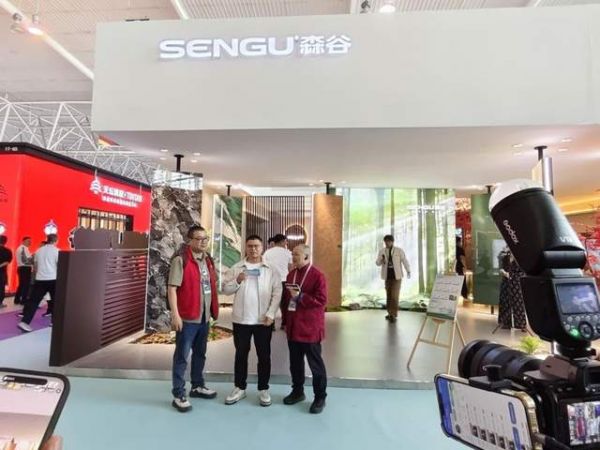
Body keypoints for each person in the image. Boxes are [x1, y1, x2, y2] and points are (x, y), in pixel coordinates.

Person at [221, 235, 281, 407]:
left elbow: (277, 292)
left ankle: (263, 389)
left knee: (264, 356)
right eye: (250, 246)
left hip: (263, 321)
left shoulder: (270, 269)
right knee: (241, 355)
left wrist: (271, 313)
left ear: (262, 248)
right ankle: (240, 387)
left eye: (256, 246)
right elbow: (225, 289)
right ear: (245, 248)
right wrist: (237, 280)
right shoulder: (237, 267)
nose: (253, 249)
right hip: (241, 321)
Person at [167, 225, 220, 412]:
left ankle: (197, 386)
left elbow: (210, 285)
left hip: (203, 317)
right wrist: (175, 314)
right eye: (199, 239)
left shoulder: (208, 260)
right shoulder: (181, 260)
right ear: (190, 240)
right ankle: (179, 393)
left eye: (206, 238)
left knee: (200, 354)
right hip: (187, 318)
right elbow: (172, 288)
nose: (203, 242)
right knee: (182, 356)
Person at [282, 244, 328, 414]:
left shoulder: (317, 276)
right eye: (293, 254)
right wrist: (285, 321)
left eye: (296, 255)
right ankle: (297, 391)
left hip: (310, 328)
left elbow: (322, 300)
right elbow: (287, 301)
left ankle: (320, 397)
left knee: (315, 365)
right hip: (293, 327)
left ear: (307, 257)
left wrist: (301, 297)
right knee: (295, 363)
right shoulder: (291, 275)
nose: (293, 257)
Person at [18, 234, 59, 331]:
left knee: (33, 301)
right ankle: (54, 322)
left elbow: (35, 266)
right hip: (53, 279)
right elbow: (59, 265)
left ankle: (24, 322)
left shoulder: (39, 251)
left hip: (40, 279)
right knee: (55, 301)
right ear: (56, 240)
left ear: (47, 240)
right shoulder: (57, 251)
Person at [375, 235, 411, 323]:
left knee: (394, 295)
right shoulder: (382, 251)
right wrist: (381, 260)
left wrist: (408, 270)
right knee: (389, 295)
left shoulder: (399, 250)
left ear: (392, 242)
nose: (387, 243)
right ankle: (389, 313)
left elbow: (404, 260)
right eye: (385, 241)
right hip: (387, 276)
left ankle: (393, 314)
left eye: (389, 241)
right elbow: (377, 263)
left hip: (397, 277)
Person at [263, 233, 293, 329]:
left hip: (270, 281)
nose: (286, 243)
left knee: (270, 302)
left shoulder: (267, 253)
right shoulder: (287, 253)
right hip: (284, 281)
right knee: (285, 304)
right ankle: (284, 324)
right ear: (282, 241)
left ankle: (271, 324)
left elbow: (264, 267)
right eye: (286, 241)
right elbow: (290, 269)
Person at [497, 250, 527, 331]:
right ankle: (505, 323)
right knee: (505, 301)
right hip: (506, 282)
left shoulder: (520, 259)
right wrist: (503, 272)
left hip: (516, 283)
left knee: (518, 302)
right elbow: (501, 267)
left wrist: (510, 275)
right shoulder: (505, 257)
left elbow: (523, 273)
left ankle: (521, 324)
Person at [14, 236, 33, 305]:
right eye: (28, 241)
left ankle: (17, 299)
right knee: (25, 285)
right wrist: (33, 258)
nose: (30, 242)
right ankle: (23, 301)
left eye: (30, 241)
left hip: (22, 268)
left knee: (22, 285)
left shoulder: (22, 248)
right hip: (25, 268)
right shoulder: (23, 248)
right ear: (23, 241)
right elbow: (25, 261)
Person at [0, 235, 13, 309]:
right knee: (1, 287)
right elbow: (8, 261)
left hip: (2, 272)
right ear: (5, 242)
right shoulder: (8, 251)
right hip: (2, 272)